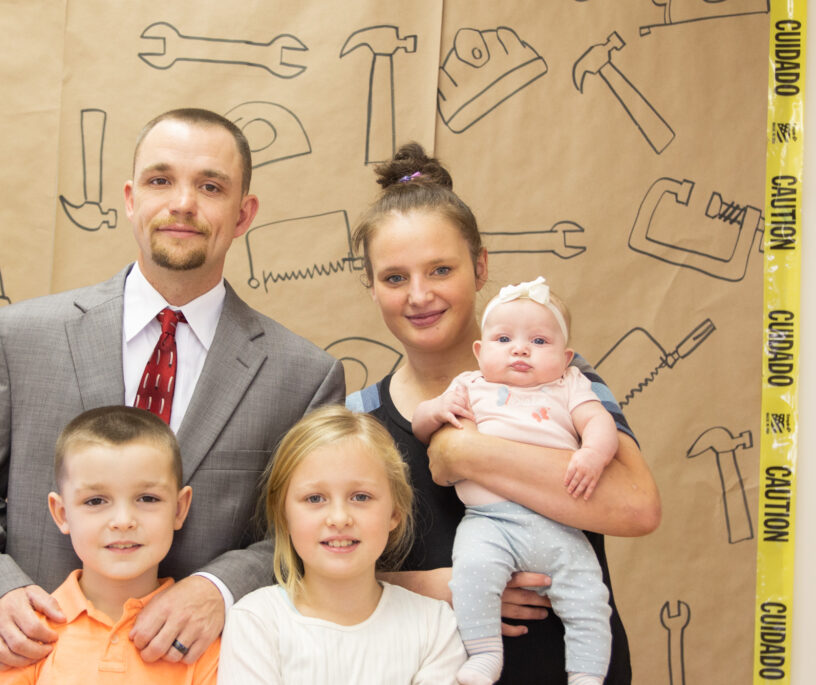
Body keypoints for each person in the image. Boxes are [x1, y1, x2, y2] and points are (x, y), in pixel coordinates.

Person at [0, 108, 345, 683]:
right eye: (160, 180)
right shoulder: (18, 339)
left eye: (210, 186)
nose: (183, 203)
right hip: (41, 666)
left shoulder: (303, 377)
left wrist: (222, 588)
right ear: (130, 198)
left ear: (244, 214)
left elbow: (313, 534)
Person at [345, 143, 661, 684]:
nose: (420, 296)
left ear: (480, 267)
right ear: (371, 287)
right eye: (395, 277)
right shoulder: (358, 418)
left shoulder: (564, 376)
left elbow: (636, 507)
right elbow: (315, 573)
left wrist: (465, 450)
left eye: (441, 269)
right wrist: (434, 586)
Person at [412, 276, 619, 685]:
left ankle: (587, 674)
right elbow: (422, 427)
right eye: (504, 339)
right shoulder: (470, 385)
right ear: (480, 351)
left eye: (540, 342)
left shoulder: (570, 386)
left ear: (566, 356)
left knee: (590, 598)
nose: (521, 349)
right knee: (471, 574)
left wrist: (593, 453)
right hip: (490, 523)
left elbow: (600, 422)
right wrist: (436, 409)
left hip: (558, 523)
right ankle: (486, 654)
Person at [217, 405, 467, 684]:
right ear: (284, 515)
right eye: (315, 498)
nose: (339, 518)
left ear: (394, 512)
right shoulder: (256, 622)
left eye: (360, 497)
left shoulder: (434, 626)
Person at [0, 406, 219, 685]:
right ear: (61, 513)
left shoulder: (198, 636)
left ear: (180, 509)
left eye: (147, 499)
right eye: (95, 501)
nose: (123, 521)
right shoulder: (27, 635)